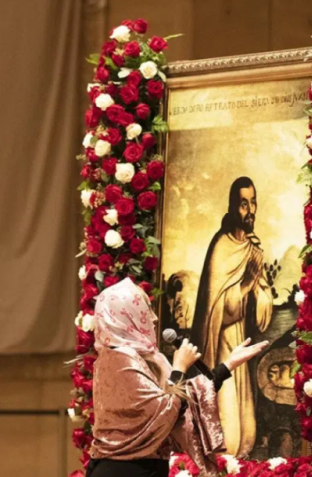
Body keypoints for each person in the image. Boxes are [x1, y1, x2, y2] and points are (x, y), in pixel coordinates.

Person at [87, 278, 268, 477]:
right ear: (126, 315)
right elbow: (163, 412)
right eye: (147, 309)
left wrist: (228, 365)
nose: (155, 318)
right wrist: (179, 367)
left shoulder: (133, 357)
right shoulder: (120, 360)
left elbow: (185, 399)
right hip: (124, 470)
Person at [189, 176, 273, 456]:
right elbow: (220, 312)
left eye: (253, 203)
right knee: (229, 430)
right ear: (232, 207)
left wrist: (261, 293)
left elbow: (262, 309)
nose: (249, 211)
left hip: (242, 344)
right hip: (221, 346)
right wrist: (249, 283)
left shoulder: (251, 248)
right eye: (243, 204)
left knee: (246, 426)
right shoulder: (221, 247)